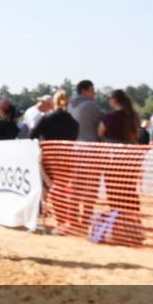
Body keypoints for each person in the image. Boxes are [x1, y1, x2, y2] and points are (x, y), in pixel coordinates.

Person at [97, 89, 145, 243]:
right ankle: (134, 226)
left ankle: (118, 225)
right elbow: (137, 135)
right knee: (130, 191)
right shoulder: (134, 116)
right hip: (131, 158)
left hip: (113, 158)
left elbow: (100, 133)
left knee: (114, 192)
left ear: (114, 100)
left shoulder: (109, 117)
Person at [30, 89, 79, 231]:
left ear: (53, 103)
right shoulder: (74, 123)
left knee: (47, 190)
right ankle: (64, 219)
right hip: (66, 160)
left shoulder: (46, 119)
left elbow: (33, 134)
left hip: (48, 160)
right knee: (62, 190)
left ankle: (59, 220)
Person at [68, 80, 105, 233]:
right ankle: (87, 217)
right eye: (92, 91)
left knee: (76, 186)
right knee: (91, 186)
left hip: (74, 149)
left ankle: (74, 217)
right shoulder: (91, 106)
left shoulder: (70, 105)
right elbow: (104, 121)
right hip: (91, 149)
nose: (94, 94)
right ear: (85, 90)